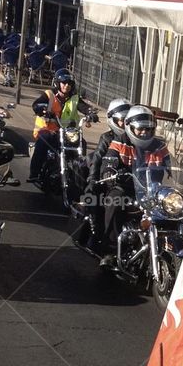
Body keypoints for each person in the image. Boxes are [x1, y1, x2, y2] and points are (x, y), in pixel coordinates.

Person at [92, 104, 171, 265]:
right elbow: (109, 159)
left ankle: (171, 247)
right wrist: (109, 170)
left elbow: (171, 165)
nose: (145, 132)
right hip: (126, 187)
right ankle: (110, 250)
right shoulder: (120, 141)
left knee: (175, 208)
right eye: (140, 129)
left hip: (152, 190)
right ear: (129, 128)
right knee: (114, 200)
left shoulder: (159, 146)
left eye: (148, 129)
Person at [73, 97, 131, 252]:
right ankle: (101, 238)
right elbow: (97, 160)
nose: (124, 124)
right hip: (108, 180)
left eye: (128, 120)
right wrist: (93, 179)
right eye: (121, 120)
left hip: (130, 182)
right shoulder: (107, 138)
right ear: (112, 120)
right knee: (98, 200)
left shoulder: (135, 139)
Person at [29, 69, 95, 184]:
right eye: (64, 82)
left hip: (66, 132)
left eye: (69, 83)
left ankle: (79, 171)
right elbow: (36, 105)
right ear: (58, 83)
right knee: (43, 141)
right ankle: (34, 173)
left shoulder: (74, 98)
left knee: (81, 143)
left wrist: (91, 113)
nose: (66, 86)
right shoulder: (49, 95)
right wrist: (43, 110)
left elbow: (84, 107)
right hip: (47, 130)